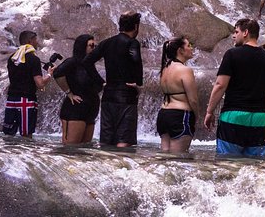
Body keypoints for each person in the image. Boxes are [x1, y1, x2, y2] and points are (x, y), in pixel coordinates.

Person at [204, 19, 265, 158]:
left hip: (233, 116)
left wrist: (210, 111)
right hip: (260, 118)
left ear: (245, 33)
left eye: (236, 32)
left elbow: (220, 85)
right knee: (256, 167)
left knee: (227, 164)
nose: (234, 35)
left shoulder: (232, 54)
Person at [82, 12, 144, 147]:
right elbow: (136, 61)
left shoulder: (106, 43)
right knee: (124, 141)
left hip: (108, 95)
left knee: (106, 140)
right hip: (126, 96)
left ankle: (105, 167)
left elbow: (87, 61)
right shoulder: (132, 43)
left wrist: (101, 82)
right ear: (135, 26)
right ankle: (121, 167)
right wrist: (138, 83)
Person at [53, 34, 104, 144]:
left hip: (90, 111)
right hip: (75, 110)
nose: (94, 49)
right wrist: (69, 93)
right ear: (82, 47)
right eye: (91, 46)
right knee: (71, 148)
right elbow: (57, 73)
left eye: (95, 46)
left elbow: (100, 85)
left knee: (84, 149)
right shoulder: (73, 62)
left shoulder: (90, 65)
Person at [3, 31, 54, 138]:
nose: (37, 43)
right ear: (30, 41)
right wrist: (49, 74)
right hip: (26, 101)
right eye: (35, 40)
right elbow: (40, 84)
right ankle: (26, 154)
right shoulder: (33, 59)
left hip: (11, 100)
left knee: (8, 135)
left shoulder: (12, 58)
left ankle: (7, 154)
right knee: (26, 136)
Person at [157, 37, 199, 153]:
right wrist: (197, 116)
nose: (191, 48)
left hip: (163, 115)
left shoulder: (164, 69)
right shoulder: (185, 70)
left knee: (165, 158)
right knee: (178, 159)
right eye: (189, 45)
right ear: (180, 50)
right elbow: (193, 100)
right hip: (180, 116)